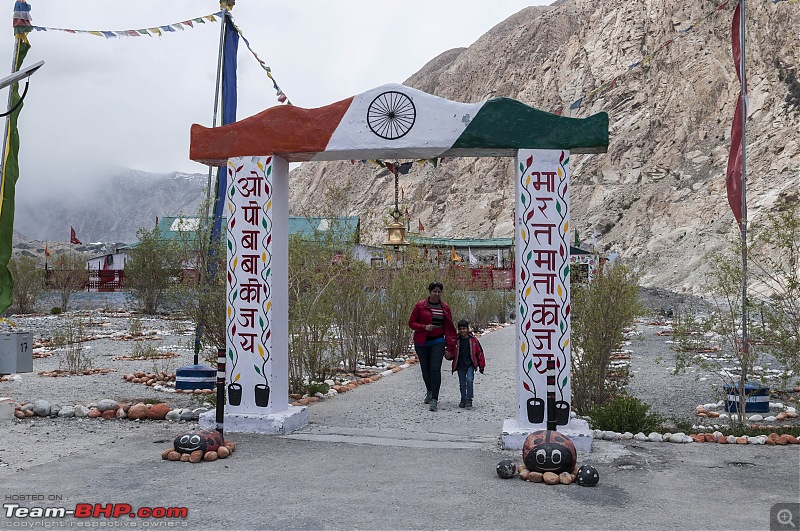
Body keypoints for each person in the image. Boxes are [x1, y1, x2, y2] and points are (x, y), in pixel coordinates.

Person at [408, 281, 457, 411]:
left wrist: (450, 347)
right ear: (429, 292)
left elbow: (449, 328)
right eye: (434, 291)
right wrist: (424, 327)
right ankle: (429, 390)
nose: (436, 294)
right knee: (426, 370)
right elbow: (411, 323)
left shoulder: (445, 307)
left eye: (439, 292)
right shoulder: (420, 306)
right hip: (422, 342)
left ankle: (434, 398)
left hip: (438, 341)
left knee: (435, 369)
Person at [449, 319, 486, 409]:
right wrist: (448, 355)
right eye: (460, 329)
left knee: (469, 380)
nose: (462, 331)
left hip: (470, 364)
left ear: (468, 329)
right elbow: (452, 354)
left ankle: (469, 399)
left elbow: (479, 352)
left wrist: (481, 366)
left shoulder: (473, 340)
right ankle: (463, 399)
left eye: (464, 328)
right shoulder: (456, 341)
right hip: (460, 365)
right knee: (462, 383)